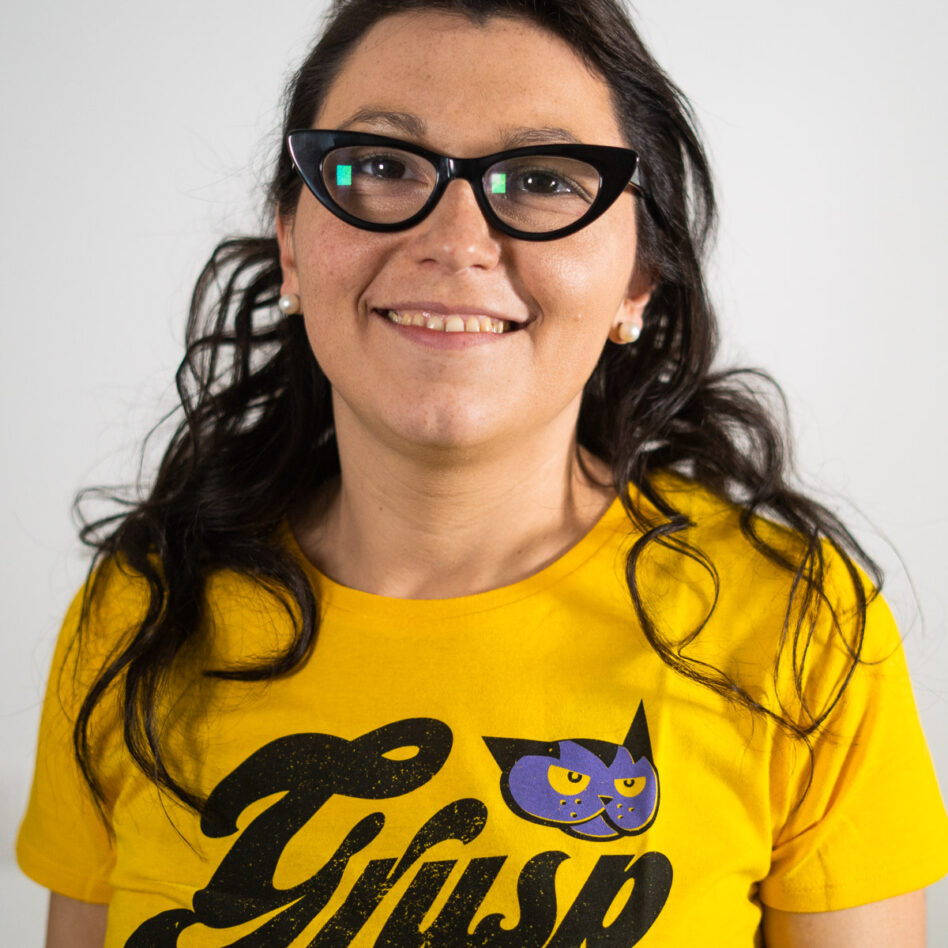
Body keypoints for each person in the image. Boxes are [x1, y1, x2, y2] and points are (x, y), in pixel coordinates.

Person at [16, 0, 948, 945]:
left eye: (542, 179)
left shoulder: (794, 629)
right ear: (292, 243)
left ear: (639, 277)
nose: (456, 241)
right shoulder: (140, 614)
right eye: (382, 167)